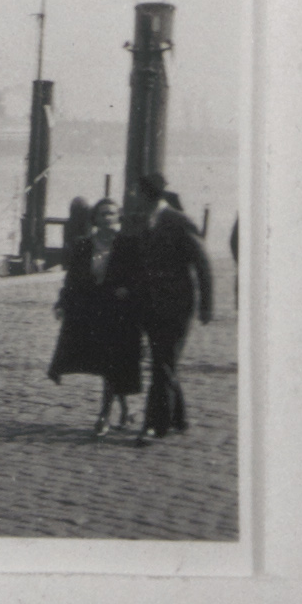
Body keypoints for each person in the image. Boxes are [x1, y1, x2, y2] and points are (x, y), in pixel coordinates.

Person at [47, 198, 144, 436]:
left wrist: (128, 290)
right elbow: (71, 279)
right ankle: (125, 410)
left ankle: (104, 415)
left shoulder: (129, 245)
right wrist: (62, 303)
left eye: (111, 213)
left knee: (111, 363)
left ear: (119, 217)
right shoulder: (83, 245)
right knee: (106, 364)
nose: (107, 218)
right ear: (95, 219)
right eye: (102, 214)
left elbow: (141, 277)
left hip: (119, 312)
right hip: (91, 310)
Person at [135, 172, 213, 446]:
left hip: (177, 306)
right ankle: (178, 418)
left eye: (136, 192)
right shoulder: (145, 221)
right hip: (151, 305)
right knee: (163, 362)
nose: (133, 197)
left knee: (162, 364)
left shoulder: (179, 221)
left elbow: (202, 263)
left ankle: (155, 425)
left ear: (147, 195)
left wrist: (206, 305)